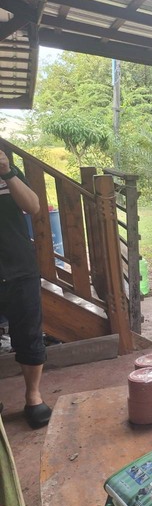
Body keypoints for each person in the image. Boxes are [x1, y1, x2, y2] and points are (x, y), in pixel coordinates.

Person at [0, 147, 52, 429]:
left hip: (19, 267)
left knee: (29, 334)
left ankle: (33, 396)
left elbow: (33, 206)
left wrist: (7, 172)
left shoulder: (7, 171)